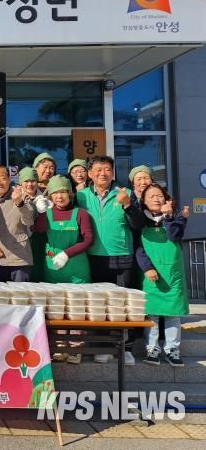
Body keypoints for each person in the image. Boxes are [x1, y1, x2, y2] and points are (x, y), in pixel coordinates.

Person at [77, 155, 145, 365]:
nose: (102, 173)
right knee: (99, 305)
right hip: (93, 257)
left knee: (124, 304)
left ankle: (126, 348)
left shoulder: (125, 194)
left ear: (113, 172)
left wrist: (127, 205)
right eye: (98, 169)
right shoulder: (81, 196)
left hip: (122, 256)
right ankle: (102, 347)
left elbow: (138, 224)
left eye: (107, 169)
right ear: (90, 173)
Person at [138, 184, 190, 367]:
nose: (155, 199)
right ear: (144, 201)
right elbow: (138, 248)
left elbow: (174, 236)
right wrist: (147, 268)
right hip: (151, 272)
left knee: (172, 313)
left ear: (166, 199)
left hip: (172, 272)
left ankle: (172, 350)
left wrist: (168, 216)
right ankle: (152, 349)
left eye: (159, 195)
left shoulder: (177, 217)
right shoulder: (140, 220)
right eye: (151, 196)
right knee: (151, 313)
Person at [34, 176, 93, 284]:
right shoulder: (47, 213)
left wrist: (66, 254)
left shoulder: (80, 213)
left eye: (63, 192)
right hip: (53, 266)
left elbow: (88, 240)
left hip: (77, 269)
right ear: (50, 195)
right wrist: (41, 213)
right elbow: (39, 230)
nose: (59, 196)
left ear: (70, 193)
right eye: (55, 193)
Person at [0, 165, 35, 282]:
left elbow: (29, 220)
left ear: (9, 179)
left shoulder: (22, 196)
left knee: (20, 293)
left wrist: (19, 202)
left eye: (3, 178)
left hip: (20, 260)